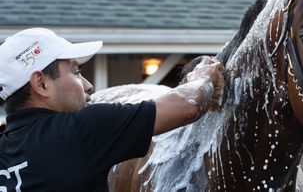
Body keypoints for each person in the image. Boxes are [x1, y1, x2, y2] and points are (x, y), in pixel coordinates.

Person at [0, 28, 225, 191]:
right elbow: (188, 105)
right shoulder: (81, 131)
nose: (88, 85)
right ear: (41, 83)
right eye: (76, 72)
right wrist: (202, 76)